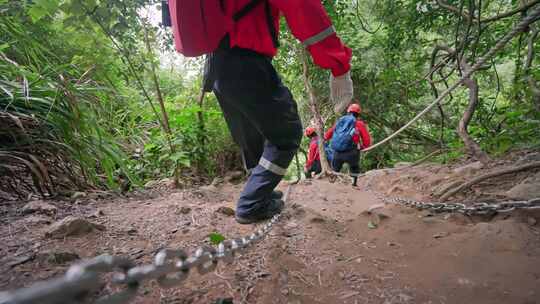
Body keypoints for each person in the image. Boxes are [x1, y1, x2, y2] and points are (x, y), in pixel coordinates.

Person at [207, 0, 353, 224]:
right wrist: (338, 63)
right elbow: (303, 8)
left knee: (251, 136)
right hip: (248, 61)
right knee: (286, 134)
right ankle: (251, 204)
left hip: (217, 68)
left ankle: (260, 194)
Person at [324, 103, 371, 187]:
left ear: (348, 112)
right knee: (354, 167)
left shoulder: (340, 122)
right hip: (352, 153)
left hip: (337, 153)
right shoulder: (359, 124)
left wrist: (325, 139)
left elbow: (328, 135)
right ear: (358, 114)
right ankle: (354, 183)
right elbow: (366, 141)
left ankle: (332, 183)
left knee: (335, 168)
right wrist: (363, 147)